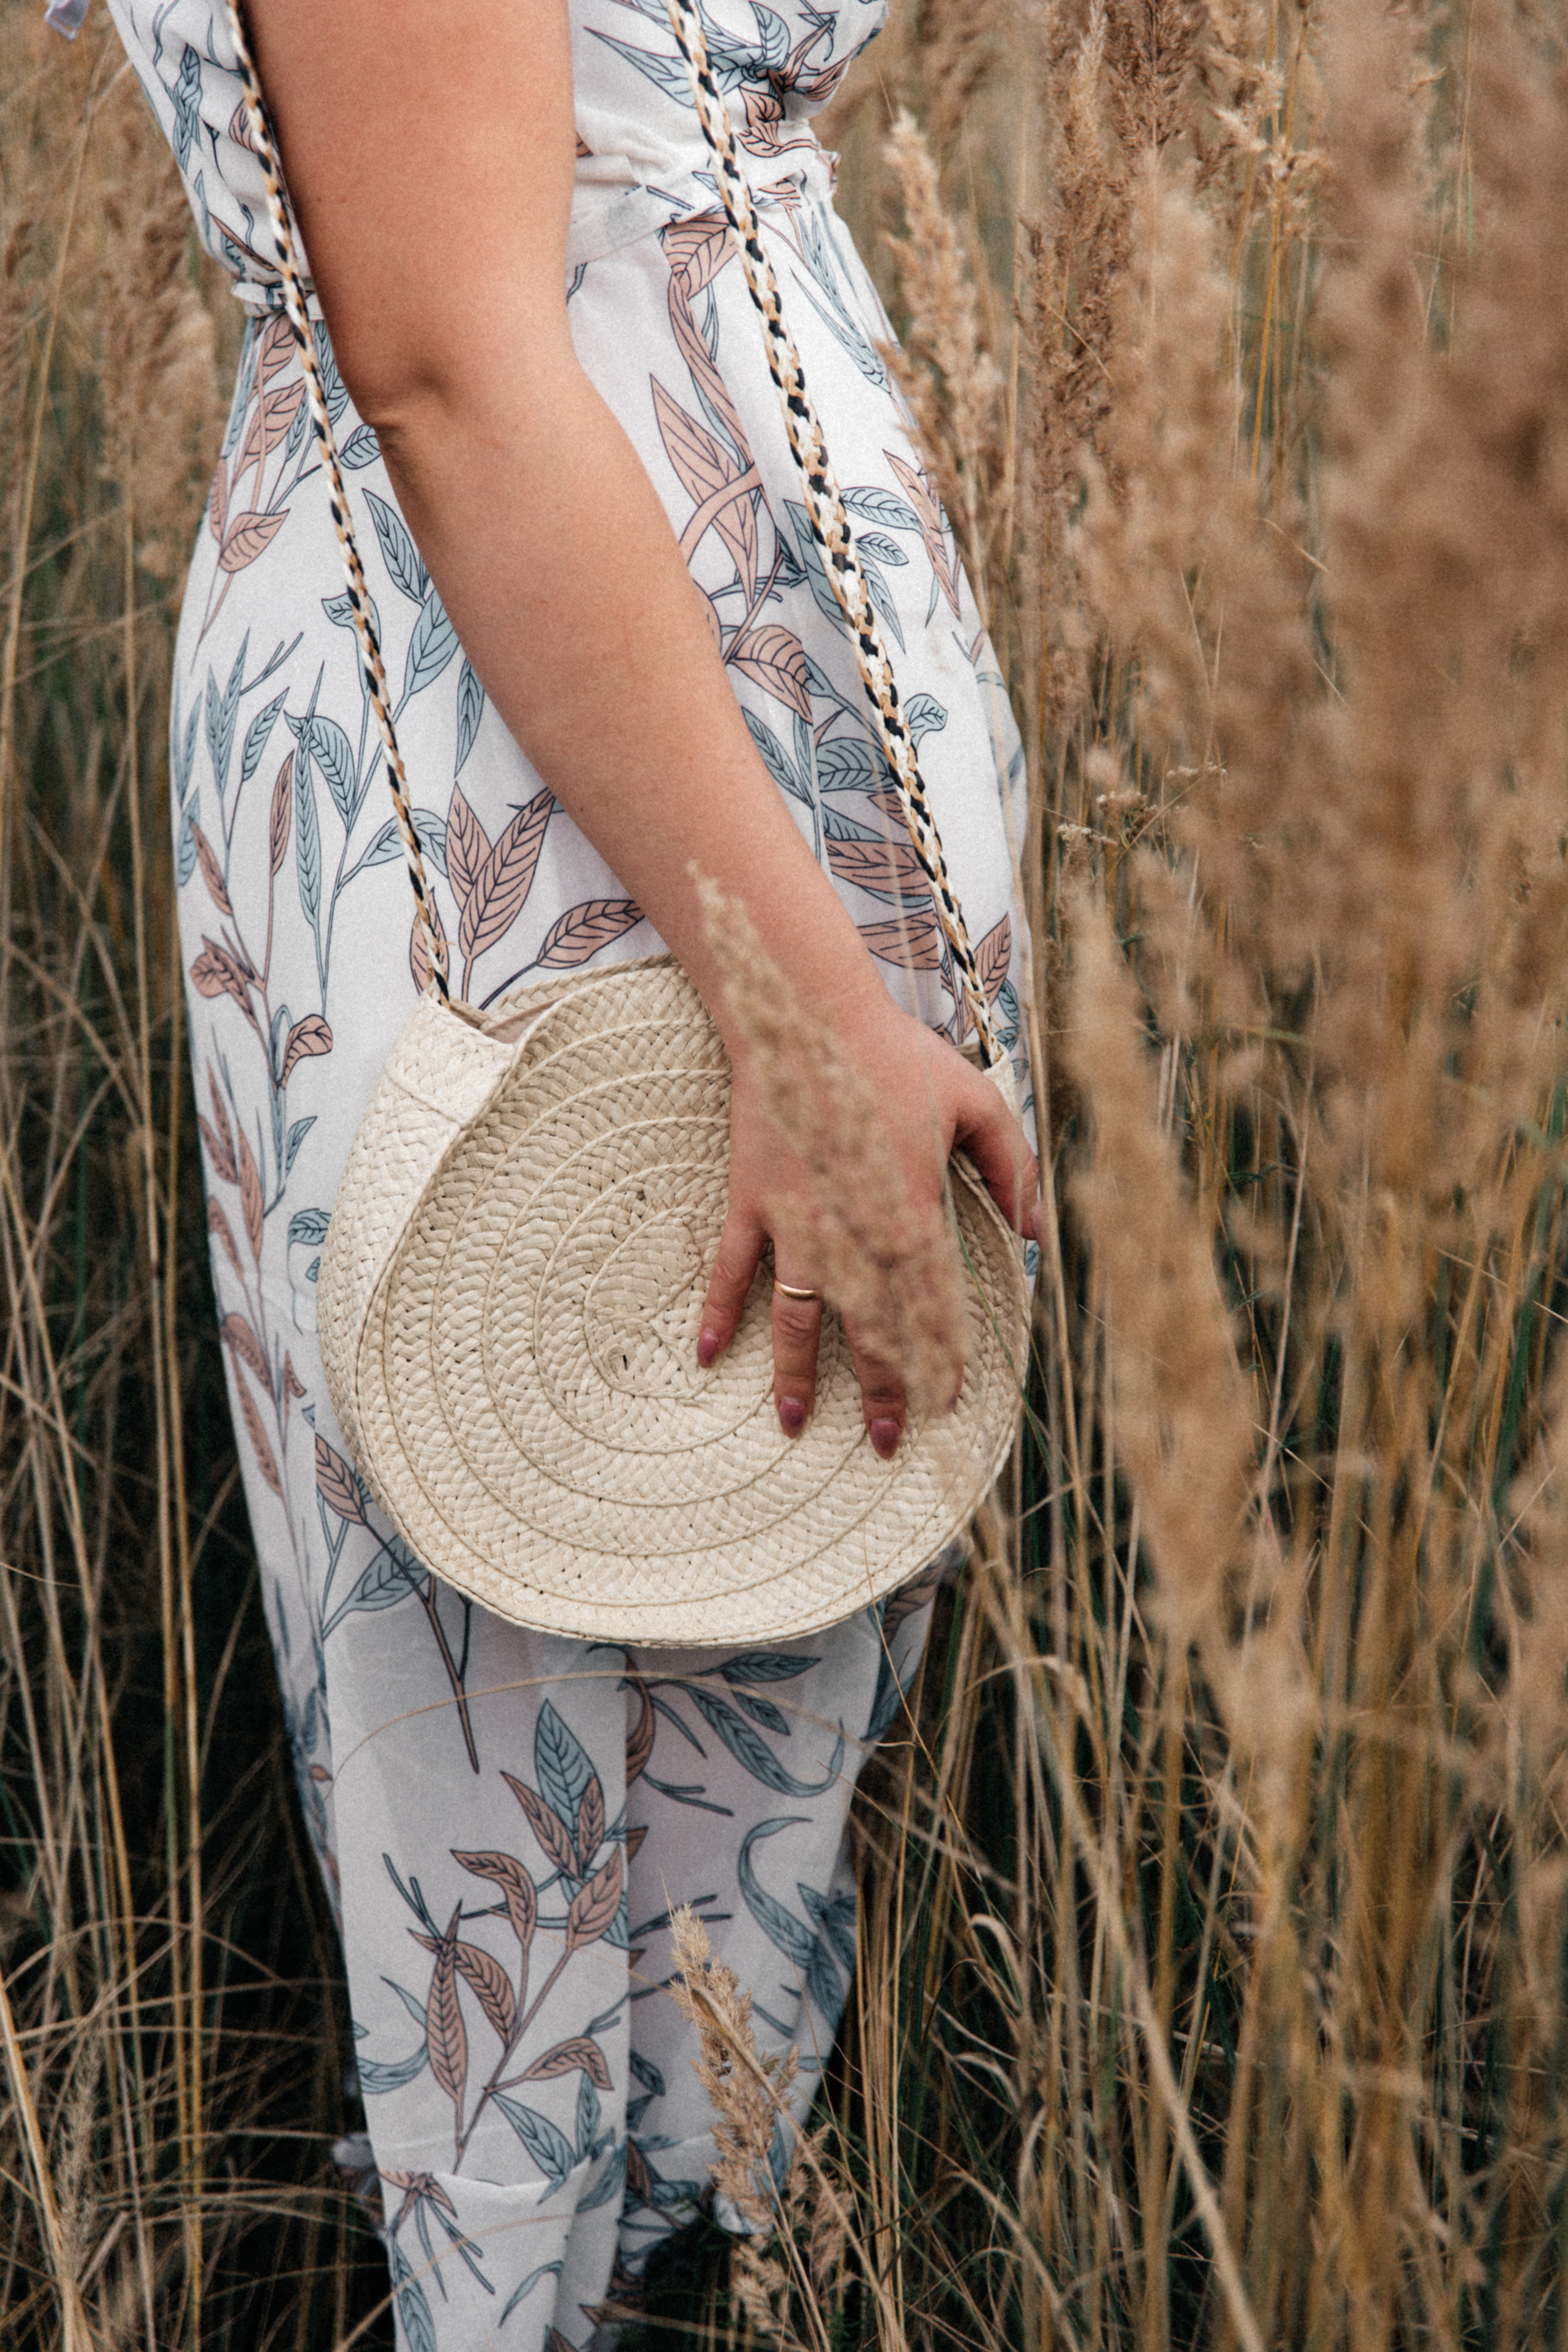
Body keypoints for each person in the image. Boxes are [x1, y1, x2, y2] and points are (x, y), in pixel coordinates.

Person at [59, 0, 1039, 2340]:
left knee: (711, 1892)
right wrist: (800, 1006)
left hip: (689, 742)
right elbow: (456, 356)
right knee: (522, 1864)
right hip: (553, 782)